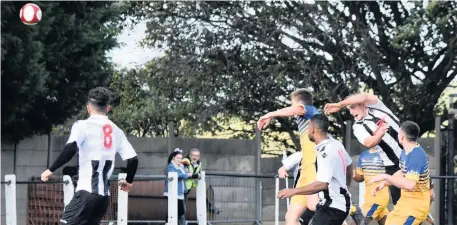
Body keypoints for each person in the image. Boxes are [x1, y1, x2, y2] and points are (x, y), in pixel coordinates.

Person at [40, 87, 139, 225]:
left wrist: (50, 169)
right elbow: (133, 159)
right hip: (103, 198)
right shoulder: (117, 131)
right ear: (108, 108)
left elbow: (70, 149)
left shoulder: (82, 125)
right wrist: (129, 181)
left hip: (86, 193)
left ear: (88, 108)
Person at [324, 93, 403, 205]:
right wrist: (379, 133)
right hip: (393, 166)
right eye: (348, 109)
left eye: (352, 107)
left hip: (410, 155)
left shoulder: (377, 107)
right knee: (401, 205)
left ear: (362, 104)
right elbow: (369, 142)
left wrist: (340, 104)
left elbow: (364, 96)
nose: (351, 112)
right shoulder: (358, 126)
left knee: (424, 197)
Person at [257, 88, 320, 225]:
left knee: (315, 205)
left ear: (298, 103)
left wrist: (270, 115)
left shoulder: (311, 111)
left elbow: (297, 109)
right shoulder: (305, 118)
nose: (291, 107)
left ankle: (347, 209)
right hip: (304, 171)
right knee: (290, 218)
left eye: (292, 104)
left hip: (314, 167)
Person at [277, 114, 353, 225]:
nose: (307, 131)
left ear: (313, 129)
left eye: (308, 127)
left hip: (332, 207)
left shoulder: (325, 153)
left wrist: (293, 191)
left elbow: (322, 184)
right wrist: (346, 186)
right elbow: (349, 165)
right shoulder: (336, 144)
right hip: (334, 204)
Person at [369, 121, 431, 225]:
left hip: (415, 207)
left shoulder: (416, 156)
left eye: (398, 133)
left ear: (402, 137)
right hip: (405, 203)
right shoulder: (406, 151)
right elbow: (402, 172)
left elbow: (410, 185)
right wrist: (384, 183)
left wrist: (386, 176)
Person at [353, 148, 389, 225]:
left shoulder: (387, 154)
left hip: (378, 199)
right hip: (370, 198)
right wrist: (350, 172)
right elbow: (359, 178)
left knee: (359, 221)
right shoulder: (363, 155)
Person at [182, 148, 221, 215]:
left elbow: (199, 174)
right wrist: (197, 176)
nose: (195, 157)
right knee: (180, 208)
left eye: (196, 156)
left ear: (199, 157)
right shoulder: (185, 161)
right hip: (182, 187)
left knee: (183, 208)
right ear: (190, 155)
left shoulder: (199, 163)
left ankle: (210, 207)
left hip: (188, 187)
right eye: (193, 155)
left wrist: (197, 178)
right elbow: (186, 174)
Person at [164, 148, 193, 225]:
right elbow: (177, 175)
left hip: (179, 192)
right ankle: (169, 223)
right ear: (173, 157)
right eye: (178, 158)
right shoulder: (171, 166)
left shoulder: (179, 166)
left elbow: (187, 172)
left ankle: (169, 222)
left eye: (181, 158)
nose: (179, 160)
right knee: (178, 211)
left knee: (177, 211)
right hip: (173, 192)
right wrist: (186, 175)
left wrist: (183, 167)